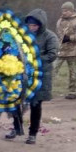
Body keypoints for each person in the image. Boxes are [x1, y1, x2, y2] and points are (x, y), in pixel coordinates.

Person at [6, 9, 59, 144]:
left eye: (34, 25)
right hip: (21, 74)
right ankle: (16, 127)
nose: (31, 28)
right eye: (29, 25)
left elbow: (52, 54)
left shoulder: (50, 37)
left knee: (35, 105)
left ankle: (33, 133)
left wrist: (33, 59)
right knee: (16, 102)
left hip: (40, 75)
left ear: (41, 25)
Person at [53, 1, 76, 99]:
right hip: (61, 49)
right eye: (63, 10)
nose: (64, 12)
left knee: (73, 73)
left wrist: (70, 38)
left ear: (72, 10)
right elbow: (59, 34)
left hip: (74, 50)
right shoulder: (60, 21)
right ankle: (46, 90)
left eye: (66, 10)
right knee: (52, 68)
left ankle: (73, 92)